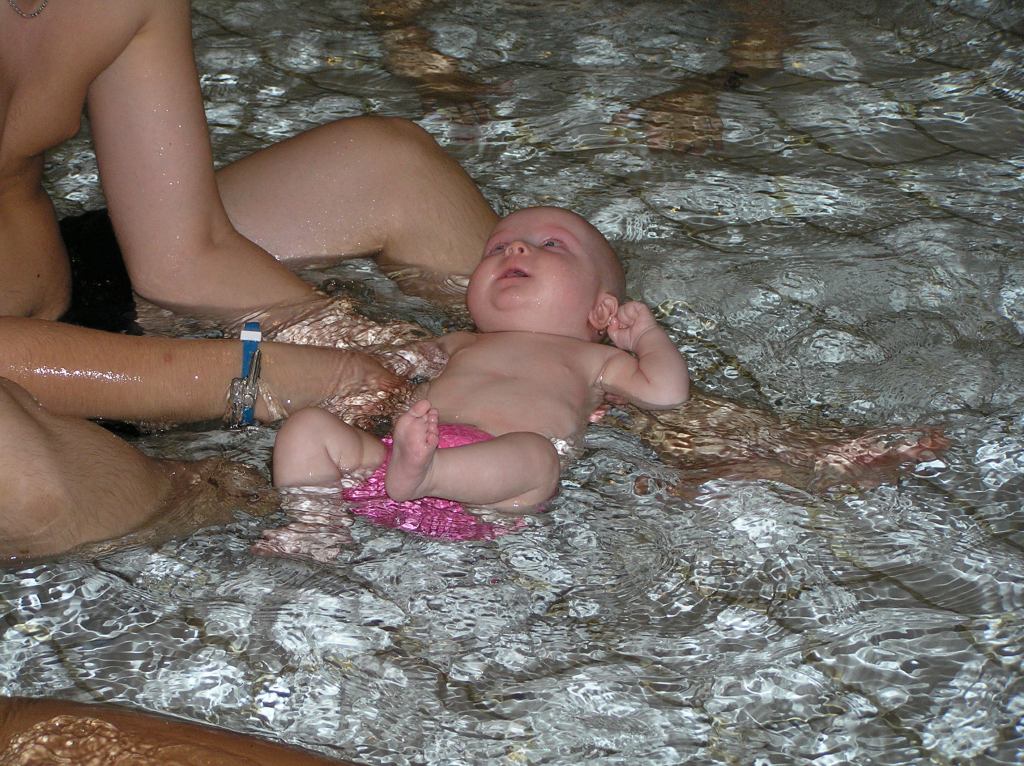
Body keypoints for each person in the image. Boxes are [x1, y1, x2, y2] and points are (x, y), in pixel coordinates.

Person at [0, 0, 498, 559]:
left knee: (392, 167)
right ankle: (218, 496)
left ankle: (540, 385)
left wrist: (355, 342)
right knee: (26, 486)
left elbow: (185, 253)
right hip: (21, 410)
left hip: (69, 286)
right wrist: (258, 375)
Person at [272, 207, 690, 519]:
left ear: (602, 311)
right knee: (308, 428)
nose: (516, 248)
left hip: (496, 490)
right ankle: (315, 523)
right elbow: (380, 365)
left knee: (538, 455)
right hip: (394, 462)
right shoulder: (459, 343)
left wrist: (646, 337)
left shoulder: (598, 359)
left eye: (551, 244)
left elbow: (666, 393)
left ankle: (428, 474)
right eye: (497, 248)